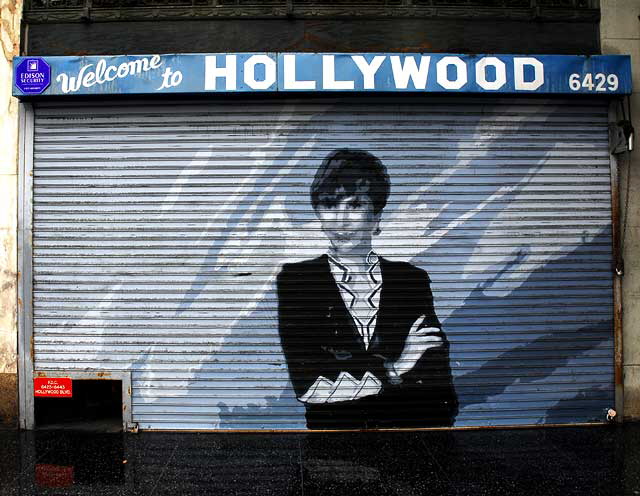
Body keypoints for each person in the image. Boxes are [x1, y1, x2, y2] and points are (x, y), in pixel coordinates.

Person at [277, 149, 458, 429]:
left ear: (375, 214)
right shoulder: (298, 280)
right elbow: (310, 385)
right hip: (334, 443)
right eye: (330, 205)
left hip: (411, 436)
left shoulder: (411, 280)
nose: (341, 220)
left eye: (355, 205)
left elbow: (437, 382)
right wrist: (396, 367)